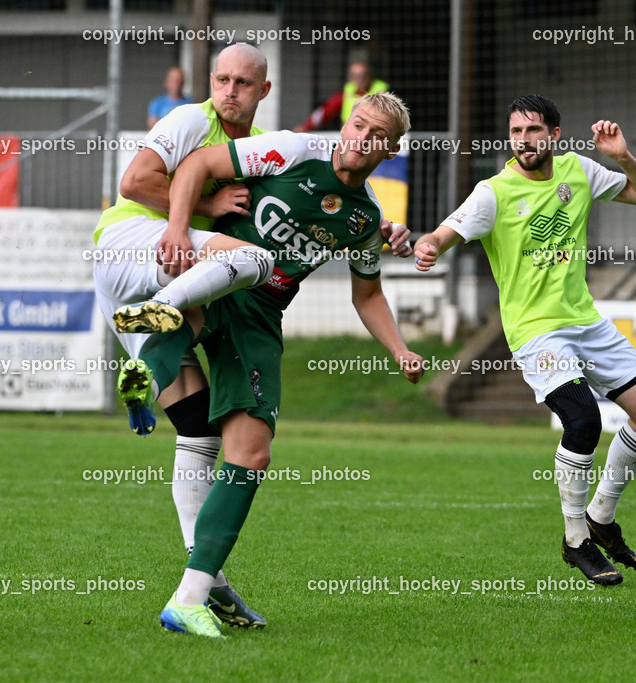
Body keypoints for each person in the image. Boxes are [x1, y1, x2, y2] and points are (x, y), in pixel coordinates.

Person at [113, 92, 424, 637]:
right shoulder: (293, 150)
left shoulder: (365, 218)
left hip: (261, 318)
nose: (361, 139)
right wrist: (181, 228)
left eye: (377, 136)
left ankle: (189, 599)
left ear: (391, 150)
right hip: (217, 269)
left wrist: (398, 350)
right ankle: (147, 369)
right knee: (196, 312)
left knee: (250, 455)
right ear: (346, 125)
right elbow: (198, 164)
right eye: (358, 125)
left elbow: (367, 294)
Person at [413, 94, 636, 586]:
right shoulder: (494, 192)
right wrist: (428, 246)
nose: (524, 141)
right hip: (536, 332)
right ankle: (576, 539)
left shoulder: (579, 171)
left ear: (553, 135)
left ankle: (601, 515)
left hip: (587, 322)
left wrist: (622, 157)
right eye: (515, 132)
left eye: (533, 131)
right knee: (582, 420)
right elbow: (443, 234)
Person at [92, 43, 273, 629]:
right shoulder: (192, 119)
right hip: (133, 250)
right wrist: (202, 205)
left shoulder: (258, 145)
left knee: (197, 426)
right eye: (222, 78)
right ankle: (160, 322)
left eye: (243, 82)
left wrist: (389, 230)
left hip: (146, 282)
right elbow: (135, 178)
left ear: (262, 91)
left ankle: (206, 584)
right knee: (252, 259)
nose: (230, 91)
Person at [293, 61, 388, 133]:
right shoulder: (345, 95)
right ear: (349, 78)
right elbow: (324, 112)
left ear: (370, 77)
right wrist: (305, 127)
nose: (360, 79)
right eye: (355, 75)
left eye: (363, 75)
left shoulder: (382, 94)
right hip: (351, 138)